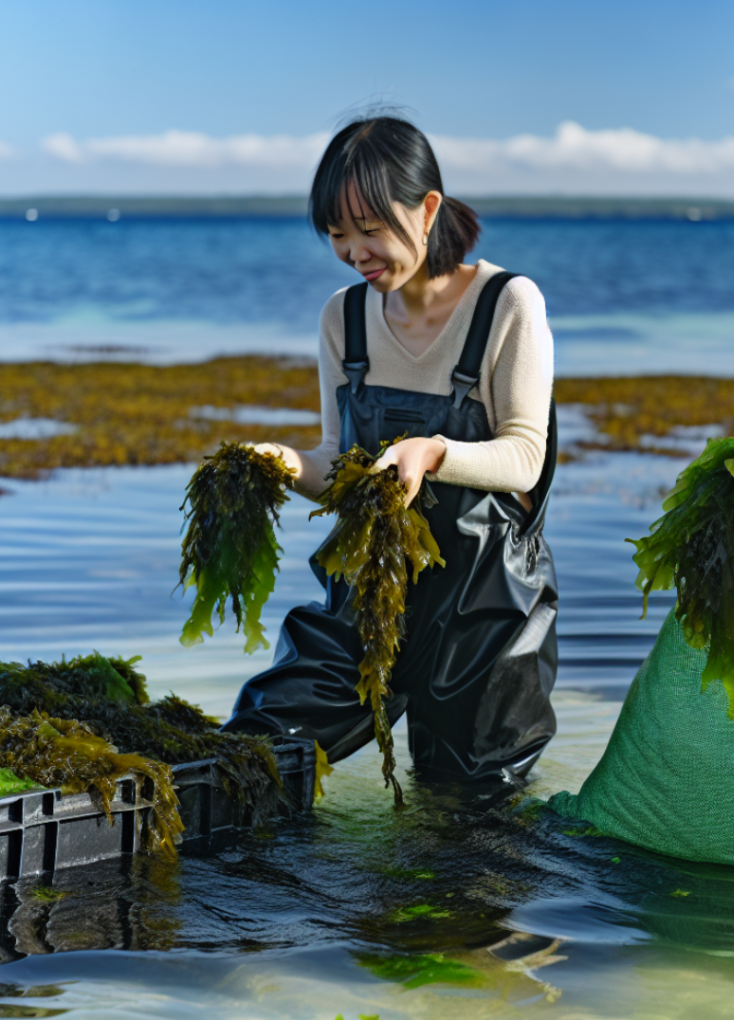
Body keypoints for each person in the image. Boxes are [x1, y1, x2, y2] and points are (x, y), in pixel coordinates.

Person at [222, 117, 559, 786]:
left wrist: (432, 452)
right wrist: (282, 462)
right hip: (364, 603)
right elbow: (336, 463)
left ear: (427, 208)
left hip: (485, 617)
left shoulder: (507, 304)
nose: (354, 252)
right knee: (257, 749)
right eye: (337, 234)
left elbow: (525, 458)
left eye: (369, 229)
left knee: (469, 820)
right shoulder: (343, 318)